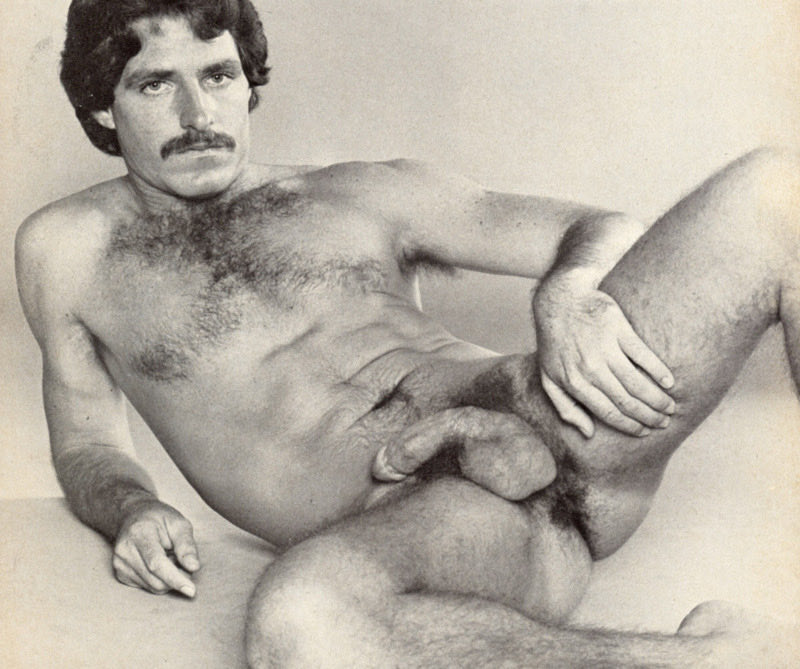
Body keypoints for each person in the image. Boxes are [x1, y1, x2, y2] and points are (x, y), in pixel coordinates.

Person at [14, 0, 798, 666]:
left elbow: (597, 227)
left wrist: (568, 296)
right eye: (156, 84)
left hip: (565, 410)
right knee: (300, 623)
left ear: (247, 84)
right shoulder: (68, 251)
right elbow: (86, 441)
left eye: (217, 77)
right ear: (101, 107)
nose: (198, 116)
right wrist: (131, 509)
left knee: (776, 197)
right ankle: (721, 658)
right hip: (438, 513)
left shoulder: (360, 193)